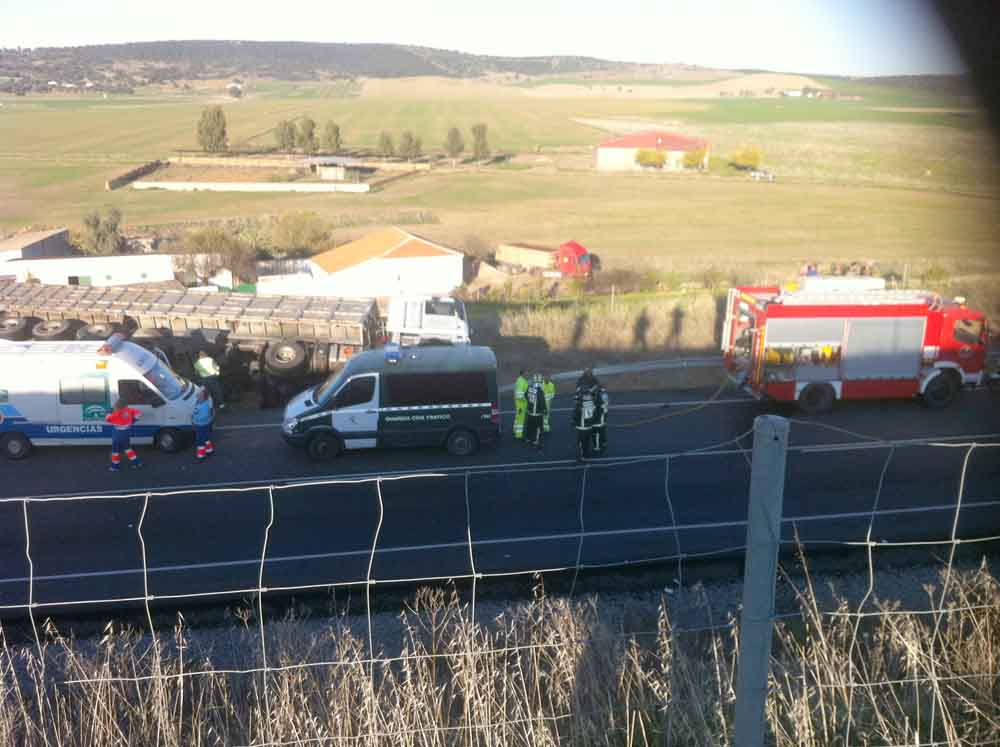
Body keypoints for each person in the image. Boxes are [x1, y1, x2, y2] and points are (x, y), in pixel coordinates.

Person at [105, 398, 143, 471]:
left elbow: (107, 419)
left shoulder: (116, 414)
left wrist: (109, 412)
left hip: (117, 435)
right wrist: (133, 420)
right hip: (126, 434)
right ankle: (137, 463)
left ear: (117, 406)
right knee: (128, 449)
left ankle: (115, 467)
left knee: (115, 452)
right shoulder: (129, 410)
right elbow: (138, 413)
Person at [572, 379, 598, 460]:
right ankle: (587, 454)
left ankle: (583, 456)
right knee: (587, 441)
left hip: (582, 426)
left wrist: (574, 422)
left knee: (581, 442)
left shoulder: (580, 403)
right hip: (589, 425)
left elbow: (576, 413)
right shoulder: (592, 401)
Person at [523, 373, 548, 449]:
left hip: (530, 412)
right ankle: (536, 441)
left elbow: (525, 395)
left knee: (530, 426)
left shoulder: (530, 388)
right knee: (538, 428)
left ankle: (528, 439)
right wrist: (544, 410)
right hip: (537, 414)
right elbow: (542, 402)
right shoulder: (540, 391)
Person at [192, 387, 216, 462]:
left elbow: (202, 416)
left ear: (203, 396)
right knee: (206, 438)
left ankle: (201, 456)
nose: (197, 395)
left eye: (199, 394)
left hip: (201, 425)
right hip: (205, 424)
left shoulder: (203, 405)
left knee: (200, 441)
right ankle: (209, 450)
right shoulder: (202, 402)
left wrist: (194, 418)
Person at [592, 383, 609, 454]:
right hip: (604, 413)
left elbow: (597, 404)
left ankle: (597, 447)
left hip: (599, 414)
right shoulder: (604, 394)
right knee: (603, 428)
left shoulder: (599, 395)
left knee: (597, 431)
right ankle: (604, 442)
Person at [513, 369, 528, 440]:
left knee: (517, 417)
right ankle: (519, 434)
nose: (528, 374)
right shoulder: (522, 381)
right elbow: (519, 395)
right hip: (521, 404)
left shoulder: (519, 380)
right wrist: (526, 399)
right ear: (523, 373)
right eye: (527, 373)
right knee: (521, 419)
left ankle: (515, 429)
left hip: (519, 403)